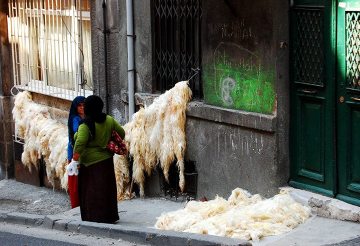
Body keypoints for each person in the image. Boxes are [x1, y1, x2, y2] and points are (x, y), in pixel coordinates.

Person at [72, 95, 125, 223]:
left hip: (90, 164)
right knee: (106, 189)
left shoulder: (86, 124)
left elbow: (80, 143)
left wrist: (74, 160)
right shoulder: (109, 119)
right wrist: (108, 141)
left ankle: (94, 217)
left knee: (91, 191)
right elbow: (122, 133)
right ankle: (109, 216)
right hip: (106, 160)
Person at [67, 96, 85, 209]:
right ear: (75, 107)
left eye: (84, 105)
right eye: (79, 106)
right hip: (75, 153)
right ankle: (76, 205)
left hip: (81, 153)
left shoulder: (85, 116)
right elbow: (77, 134)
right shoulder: (75, 119)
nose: (82, 107)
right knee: (75, 182)